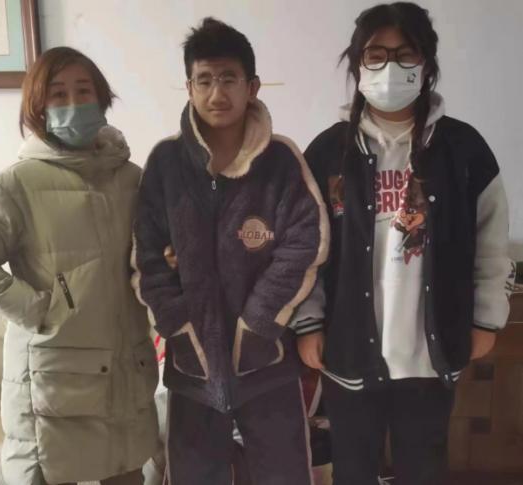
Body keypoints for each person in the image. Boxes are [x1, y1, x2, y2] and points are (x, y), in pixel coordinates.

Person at [296, 3, 512, 485]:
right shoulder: (328, 152)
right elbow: (306, 250)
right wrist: (308, 322)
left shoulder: (464, 149)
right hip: (348, 349)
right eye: (376, 54)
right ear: (357, 64)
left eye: (405, 53)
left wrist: (485, 317)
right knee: (353, 470)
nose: (390, 67)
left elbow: (491, 241)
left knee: (424, 469)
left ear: (427, 64)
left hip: (430, 355)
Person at [132, 17, 329, 485]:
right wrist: (179, 327)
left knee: (284, 475)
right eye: (204, 80)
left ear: (252, 86)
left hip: (268, 360)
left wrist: (259, 323)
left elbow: (305, 243)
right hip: (191, 365)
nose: (216, 93)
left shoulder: (281, 160)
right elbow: (146, 258)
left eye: (228, 79)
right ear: (189, 87)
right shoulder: (165, 163)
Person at [0, 46, 162, 485]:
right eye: (58, 94)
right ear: (37, 107)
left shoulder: (133, 179)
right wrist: (39, 309)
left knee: (128, 474)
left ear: (103, 97)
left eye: (84, 90)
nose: (74, 103)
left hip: (126, 373)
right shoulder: (12, 185)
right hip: (52, 382)